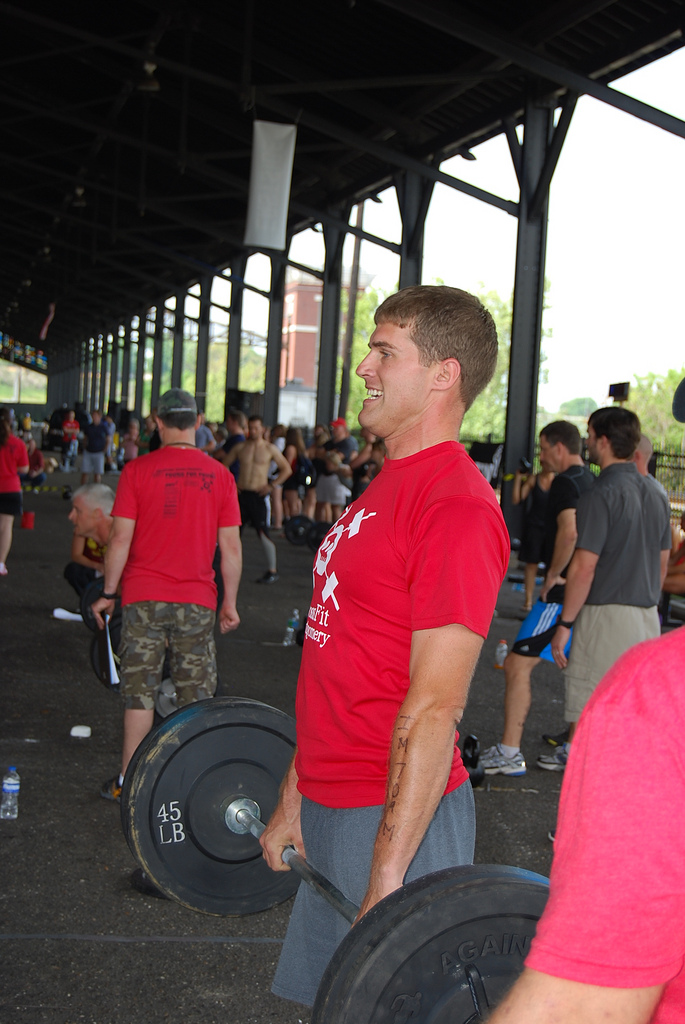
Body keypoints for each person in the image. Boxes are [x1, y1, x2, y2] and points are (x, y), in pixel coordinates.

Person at [259, 285, 510, 1007]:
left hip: (396, 822)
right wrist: (295, 795)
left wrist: (389, 877)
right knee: (332, 1009)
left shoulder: (455, 507)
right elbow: (337, 654)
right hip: (335, 802)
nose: (364, 369)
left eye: (383, 352)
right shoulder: (385, 487)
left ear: (442, 374)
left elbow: (435, 705)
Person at [488, 627, 685, 1024]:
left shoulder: (661, 687)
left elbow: (576, 1008)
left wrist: (565, 621)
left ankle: (511, 753)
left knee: (517, 664)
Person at [91, 388, 242, 802]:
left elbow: (119, 540)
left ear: (157, 423)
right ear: (197, 423)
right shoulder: (220, 476)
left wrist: (108, 592)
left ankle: (129, 784)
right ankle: (195, 785)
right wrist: (229, 602)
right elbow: (230, 548)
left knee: (139, 693)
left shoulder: (137, 471)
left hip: (142, 597)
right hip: (197, 600)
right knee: (196, 696)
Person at [543, 406, 671, 769]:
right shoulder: (656, 493)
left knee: (592, 717)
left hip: (605, 616)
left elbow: (584, 567)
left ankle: (587, 820)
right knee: (633, 717)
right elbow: (662, 563)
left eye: (589, 435)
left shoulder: (601, 493)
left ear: (602, 439)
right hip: (647, 618)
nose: (586, 444)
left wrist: (564, 624)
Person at [481, 422, 594, 776]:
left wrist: (553, 576)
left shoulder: (565, 481)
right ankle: (574, 746)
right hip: (583, 591)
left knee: (517, 665)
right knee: (579, 670)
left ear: (560, 447)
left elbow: (571, 531)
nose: (541, 456)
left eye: (544, 449)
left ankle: (510, 752)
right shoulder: (589, 479)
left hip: (560, 594)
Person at [222, 415, 292, 584]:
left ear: (262, 429)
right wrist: (232, 484)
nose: (253, 431)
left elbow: (286, 469)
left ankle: (272, 570)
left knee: (263, 533)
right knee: (232, 533)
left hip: (258, 495)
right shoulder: (240, 447)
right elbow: (223, 466)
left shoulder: (269, 449)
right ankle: (227, 567)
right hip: (241, 495)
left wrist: (271, 485)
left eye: (256, 428)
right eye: (250, 428)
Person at [512, 460, 555, 613]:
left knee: (550, 566)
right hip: (534, 526)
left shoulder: (558, 481)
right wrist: (518, 478)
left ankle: (545, 599)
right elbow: (517, 499)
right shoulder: (533, 479)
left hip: (551, 528)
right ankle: (528, 600)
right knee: (532, 564)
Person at [64, 483, 115, 599]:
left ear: (97, 514)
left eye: (78, 511)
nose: (70, 516)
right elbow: (75, 555)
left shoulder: (130, 543)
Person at [0, 406, 29, 576]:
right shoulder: (17, 444)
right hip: (11, 489)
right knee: (5, 528)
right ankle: (1, 563)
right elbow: (24, 468)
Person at [215, 409, 247, 482]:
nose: (227, 424)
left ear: (235, 422)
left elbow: (219, 454)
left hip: (232, 475)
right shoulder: (239, 438)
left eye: (229, 421)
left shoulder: (236, 440)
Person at [80, 410, 109, 485]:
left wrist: (105, 449)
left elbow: (108, 439)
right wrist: (84, 446)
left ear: (99, 417)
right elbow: (85, 438)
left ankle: (96, 490)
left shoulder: (104, 427)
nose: (94, 417)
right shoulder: (89, 427)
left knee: (97, 473)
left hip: (99, 452)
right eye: (93, 416)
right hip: (89, 451)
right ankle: (83, 489)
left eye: (96, 416)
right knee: (85, 472)